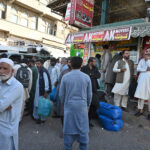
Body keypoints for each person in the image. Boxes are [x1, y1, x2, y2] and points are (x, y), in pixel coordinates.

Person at [59, 57, 92, 150]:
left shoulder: (65, 77)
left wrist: (66, 104)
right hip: (82, 107)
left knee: (68, 138)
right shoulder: (86, 77)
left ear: (70, 64)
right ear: (81, 65)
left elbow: (61, 95)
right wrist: (88, 106)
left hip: (69, 107)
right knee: (84, 139)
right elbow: (89, 95)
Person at [0, 58, 24, 150]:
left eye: (5, 69)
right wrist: (4, 105)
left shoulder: (16, 86)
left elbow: (1, 106)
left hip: (7, 128)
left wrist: (3, 105)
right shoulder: (1, 82)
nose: (1, 71)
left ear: (12, 71)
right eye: (0, 68)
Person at [81, 57, 101, 127]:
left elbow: (99, 75)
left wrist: (92, 76)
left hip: (94, 89)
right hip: (85, 90)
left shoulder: (95, 68)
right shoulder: (84, 68)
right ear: (90, 62)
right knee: (85, 106)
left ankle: (89, 120)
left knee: (94, 105)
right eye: (94, 62)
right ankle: (84, 122)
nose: (95, 63)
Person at [33, 59, 51, 124]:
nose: (37, 65)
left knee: (41, 105)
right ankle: (37, 118)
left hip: (41, 91)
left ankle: (41, 118)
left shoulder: (43, 71)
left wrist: (46, 91)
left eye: (38, 64)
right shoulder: (39, 70)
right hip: (38, 91)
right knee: (37, 104)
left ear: (42, 64)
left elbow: (46, 82)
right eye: (36, 63)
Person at [134, 47, 150, 117]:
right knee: (141, 96)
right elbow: (138, 69)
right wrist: (145, 69)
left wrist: (148, 60)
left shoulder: (148, 60)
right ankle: (140, 110)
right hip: (142, 80)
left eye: (149, 51)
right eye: (147, 51)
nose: (148, 53)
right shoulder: (141, 60)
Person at [58, 58, 72, 128]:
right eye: (68, 62)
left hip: (73, 98)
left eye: (71, 62)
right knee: (63, 114)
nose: (69, 64)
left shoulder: (80, 74)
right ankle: (64, 129)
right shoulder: (64, 72)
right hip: (64, 96)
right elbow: (60, 83)